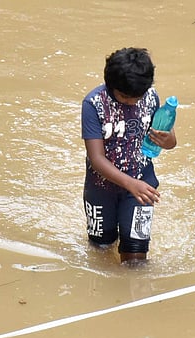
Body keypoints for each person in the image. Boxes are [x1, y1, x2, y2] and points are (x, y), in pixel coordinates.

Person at [81, 47, 177, 264]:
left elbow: (170, 141)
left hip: (142, 189)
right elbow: (96, 159)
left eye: (137, 97)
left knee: (136, 259)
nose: (132, 102)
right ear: (110, 86)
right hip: (100, 190)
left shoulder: (150, 97)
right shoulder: (93, 105)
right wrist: (130, 183)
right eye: (124, 97)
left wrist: (168, 140)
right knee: (101, 248)